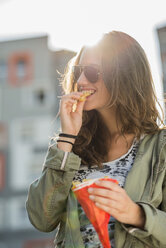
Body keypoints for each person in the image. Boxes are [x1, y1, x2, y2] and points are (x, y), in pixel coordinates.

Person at [26, 31, 166, 248]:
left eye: (92, 72)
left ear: (123, 75)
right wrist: (66, 138)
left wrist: (137, 214)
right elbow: (42, 219)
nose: (81, 81)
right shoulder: (73, 147)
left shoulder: (161, 148)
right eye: (78, 71)